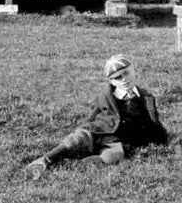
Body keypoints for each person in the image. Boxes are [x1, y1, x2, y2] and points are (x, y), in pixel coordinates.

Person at [23, 56, 168, 179]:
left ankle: (74, 165)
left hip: (121, 138)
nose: (124, 79)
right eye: (118, 78)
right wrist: (86, 129)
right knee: (78, 139)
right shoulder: (106, 96)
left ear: (134, 70)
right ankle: (47, 159)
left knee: (113, 156)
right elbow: (92, 116)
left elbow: (153, 122)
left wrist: (159, 137)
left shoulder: (146, 97)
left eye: (127, 73)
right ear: (111, 81)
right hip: (100, 129)